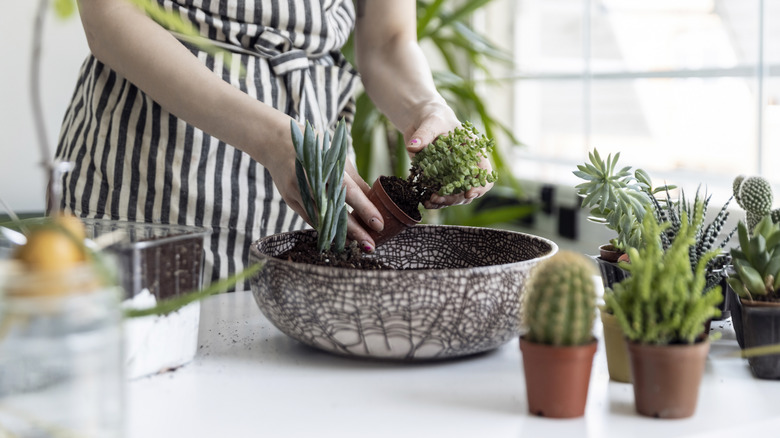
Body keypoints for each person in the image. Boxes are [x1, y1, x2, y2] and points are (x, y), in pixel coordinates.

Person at [55, 0, 494, 289]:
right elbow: (109, 17)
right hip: (152, 161)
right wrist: (272, 138)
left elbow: (387, 41)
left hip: (314, 165)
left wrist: (425, 109)